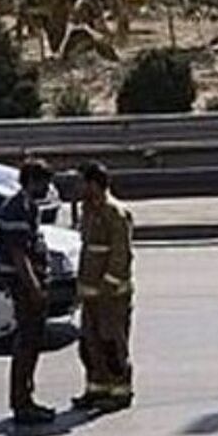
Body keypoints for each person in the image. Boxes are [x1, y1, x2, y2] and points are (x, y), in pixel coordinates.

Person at [73, 162, 135, 412]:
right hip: (91, 294)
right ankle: (96, 388)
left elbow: (121, 254)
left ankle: (120, 390)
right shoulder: (88, 210)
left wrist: (108, 285)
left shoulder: (115, 213)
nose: (79, 187)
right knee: (89, 344)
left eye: (82, 182)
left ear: (94, 184)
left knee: (111, 343)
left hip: (111, 296)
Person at [0, 159, 56, 426]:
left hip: (31, 282)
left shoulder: (28, 207)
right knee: (27, 342)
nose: (47, 188)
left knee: (32, 342)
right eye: (43, 182)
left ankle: (26, 398)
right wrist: (34, 287)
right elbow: (19, 255)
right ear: (31, 181)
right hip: (23, 284)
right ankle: (22, 403)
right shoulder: (17, 209)